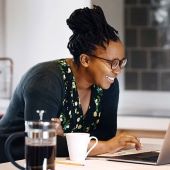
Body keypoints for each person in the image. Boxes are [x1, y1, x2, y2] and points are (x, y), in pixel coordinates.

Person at [0, 5, 141, 157]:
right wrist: (105, 146)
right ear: (85, 60)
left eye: (121, 63)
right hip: (11, 159)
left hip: (58, 162)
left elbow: (105, 135)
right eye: (112, 63)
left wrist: (64, 136)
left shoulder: (108, 84)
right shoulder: (46, 81)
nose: (118, 70)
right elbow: (42, 143)